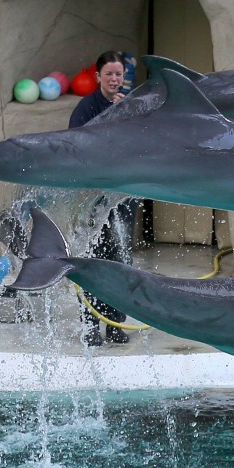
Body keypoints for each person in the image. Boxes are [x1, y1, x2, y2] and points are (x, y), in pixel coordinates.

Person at [68, 50, 137, 346]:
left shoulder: (132, 105)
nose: (114, 79)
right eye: (108, 73)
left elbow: (143, 144)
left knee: (120, 260)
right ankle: (91, 325)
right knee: (94, 260)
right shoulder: (86, 107)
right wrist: (110, 118)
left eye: (118, 74)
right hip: (93, 199)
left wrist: (129, 116)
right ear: (97, 77)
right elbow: (75, 146)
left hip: (123, 198)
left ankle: (116, 324)